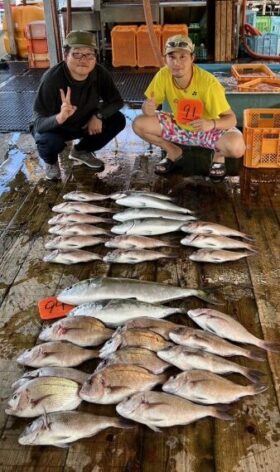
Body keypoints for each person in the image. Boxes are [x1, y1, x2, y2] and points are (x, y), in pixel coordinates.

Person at [132, 34, 245, 182]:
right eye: (171, 57)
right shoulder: (163, 75)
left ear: (192, 58)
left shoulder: (208, 83)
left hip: (208, 130)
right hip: (179, 127)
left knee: (236, 148)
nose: (176, 63)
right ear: (165, 59)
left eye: (182, 57)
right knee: (138, 124)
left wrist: (211, 123)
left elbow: (231, 119)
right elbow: (148, 109)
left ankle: (219, 155)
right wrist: (146, 108)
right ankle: (173, 151)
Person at [31, 30, 126, 180]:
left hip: (84, 122)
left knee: (118, 120)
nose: (84, 59)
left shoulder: (100, 73)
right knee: (48, 142)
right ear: (66, 55)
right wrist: (59, 117)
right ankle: (50, 162)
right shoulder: (51, 79)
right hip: (56, 128)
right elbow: (38, 124)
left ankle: (81, 151)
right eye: (77, 54)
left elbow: (116, 101)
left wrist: (98, 115)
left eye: (89, 54)